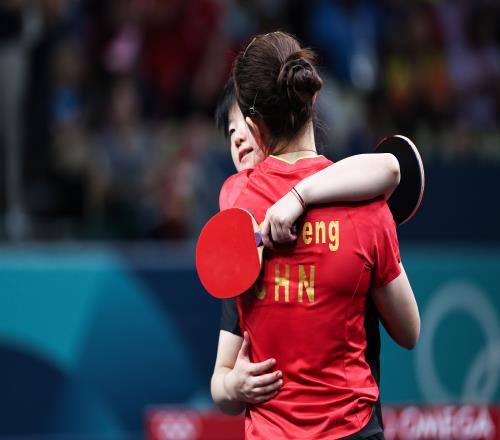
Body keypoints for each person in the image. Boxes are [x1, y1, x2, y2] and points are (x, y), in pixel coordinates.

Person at [211, 32, 420, 439]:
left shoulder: (236, 207)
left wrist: (297, 195)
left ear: (253, 127)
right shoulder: (369, 207)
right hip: (354, 430)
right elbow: (409, 332)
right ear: (313, 99)